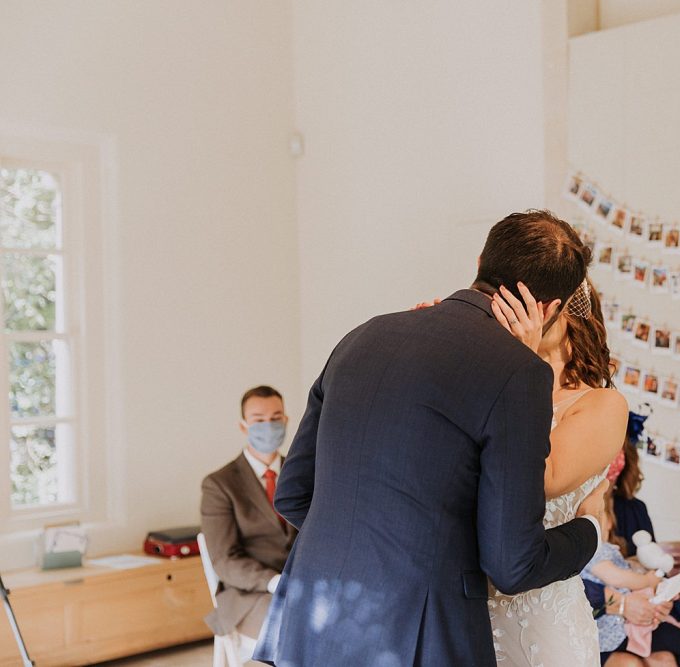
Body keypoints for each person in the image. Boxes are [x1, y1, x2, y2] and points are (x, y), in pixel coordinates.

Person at [253, 211, 609, 667]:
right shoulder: (521, 374)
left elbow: (294, 493)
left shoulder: (363, 335)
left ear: (480, 260)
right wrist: (591, 529)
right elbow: (513, 565)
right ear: (549, 309)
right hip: (417, 631)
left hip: (311, 615)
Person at [487, 276, 629, 666]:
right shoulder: (489, 386)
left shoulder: (602, 404)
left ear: (573, 313)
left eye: (540, 303)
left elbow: (541, 479)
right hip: (471, 610)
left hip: (543, 616)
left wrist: (518, 363)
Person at [200, 385, 297, 658]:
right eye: (259, 420)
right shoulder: (220, 484)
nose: (269, 425)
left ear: (286, 421)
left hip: (300, 585)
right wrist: (273, 581)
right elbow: (224, 560)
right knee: (296, 627)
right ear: (244, 427)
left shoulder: (302, 473)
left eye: (276, 418)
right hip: (249, 595)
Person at [583, 491, 680, 667]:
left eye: (600, 514)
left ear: (610, 522)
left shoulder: (609, 550)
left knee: (672, 652)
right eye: (586, 519)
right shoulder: (592, 551)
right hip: (614, 629)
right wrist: (647, 581)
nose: (595, 523)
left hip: (627, 625)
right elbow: (616, 578)